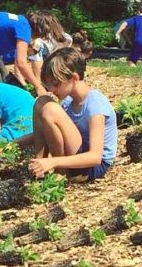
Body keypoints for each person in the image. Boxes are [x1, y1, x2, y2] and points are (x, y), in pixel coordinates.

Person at [27, 47, 117, 182]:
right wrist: (12, 143)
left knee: (50, 110)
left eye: (56, 84)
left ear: (74, 78)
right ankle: (39, 166)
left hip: (91, 166)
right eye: (49, 85)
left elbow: (95, 157)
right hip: (75, 155)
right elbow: (50, 131)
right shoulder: (69, 102)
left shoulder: (95, 105)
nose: (51, 90)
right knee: (42, 101)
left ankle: (61, 173)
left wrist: (54, 162)